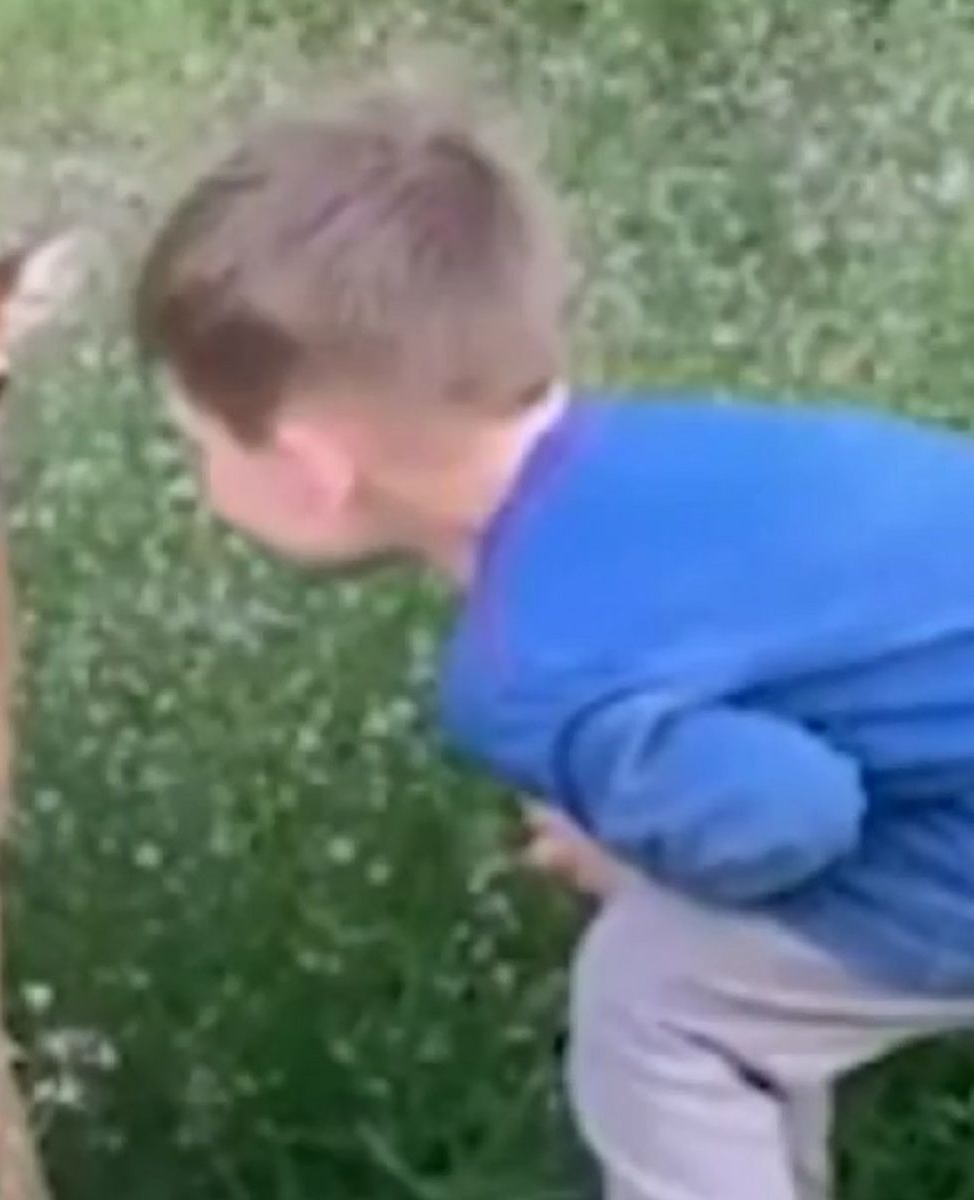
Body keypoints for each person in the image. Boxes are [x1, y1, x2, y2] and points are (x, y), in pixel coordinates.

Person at [127, 60, 974, 1200]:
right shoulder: (669, 456)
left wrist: (634, 850)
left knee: (660, 995)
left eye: (201, 447)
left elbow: (790, 816)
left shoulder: (531, 664)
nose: (196, 480)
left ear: (309, 469)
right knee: (726, 962)